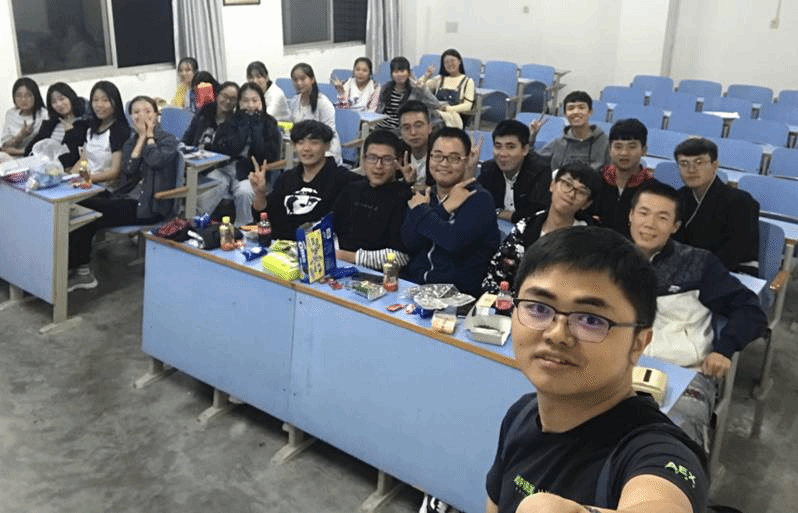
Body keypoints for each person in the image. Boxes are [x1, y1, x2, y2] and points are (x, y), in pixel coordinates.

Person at [482, 226, 708, 513]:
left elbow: (662, 502)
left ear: (639, 343)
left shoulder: (653, 450)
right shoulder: (521, 414)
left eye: (591, 320)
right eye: (538, 308)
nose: (557, 334)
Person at [628, 181, 767, 450]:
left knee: (672, 448)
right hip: (619, 365)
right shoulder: (611, 260)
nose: (649, 224)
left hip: (682, 372)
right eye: (643, 213)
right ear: (630, 215)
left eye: (662, 217)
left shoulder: (699, 263)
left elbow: (750, 310)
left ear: (675, 226)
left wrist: (724, 350)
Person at [67, 96, 179, 291]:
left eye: (147, 111)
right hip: (127, 198)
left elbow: (155, 160)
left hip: (149, 205)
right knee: (78, 206)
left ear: (156, 115)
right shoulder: (131, 141)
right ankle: (77, 268)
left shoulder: (168, 140)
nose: (142, 116)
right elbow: (128, 169)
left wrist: (149, 137)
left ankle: (80, 270)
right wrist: (141, 139)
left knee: (86, 212)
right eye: (136, 112)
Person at [400, 127, 499, 297]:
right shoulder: (425, 196)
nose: (444, 164)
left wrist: (423, 212)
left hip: (459, 296)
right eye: (437, 156)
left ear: (467, 161)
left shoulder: (479, 199)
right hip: (415, 286)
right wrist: (443, 209)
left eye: (454, 158)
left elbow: (452, 242)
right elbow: (409, 243)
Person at [482, 162, 599, 294]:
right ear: (552, 185)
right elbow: (495, 277)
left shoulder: (590, 242)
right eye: (567, 184)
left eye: (581, 192)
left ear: (587, 203)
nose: (571, 194)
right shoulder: (525, 227)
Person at [249, 120, 360, 240]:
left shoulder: (344, 180)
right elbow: (264, 219)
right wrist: (259, 193)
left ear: (327, 145)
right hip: (280, 245)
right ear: (293, 146)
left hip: (317, 247)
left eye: (314, 143)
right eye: (300, 142)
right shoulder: (287, 179)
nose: (306, 148)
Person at [673, 137, 760, 275]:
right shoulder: (678, 197)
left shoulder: (741, 201)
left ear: (715, 165)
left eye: (699, 162)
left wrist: (693, 269)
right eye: (684, 164)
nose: (691, 169)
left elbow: (735, 251)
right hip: (686, 269)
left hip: (731, 272)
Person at [202, 82, 281, 224]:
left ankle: (244, 229)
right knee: (209, 183)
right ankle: (200, 224)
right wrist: (243, 127)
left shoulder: (269, 123)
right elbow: (223, 149)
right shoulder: (231, 121)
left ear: (261, 102)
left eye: (255, 100)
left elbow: (270, 155)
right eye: (245, 100)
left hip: (252, 171)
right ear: (239, 102)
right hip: (226, 168)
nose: (250, 105)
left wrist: (256, 128)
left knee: (244, 192)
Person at [333, 130, 411, 270]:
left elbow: (401, 256)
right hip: (340, 266)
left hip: (381, 274)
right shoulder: (351, 189)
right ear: (363, 160)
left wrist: (350, 257)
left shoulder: (405, 197)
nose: (378, 166)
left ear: (398, 162)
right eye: (372, 158)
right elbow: (332, 229)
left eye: (387, 159)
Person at [477, 119, 551, 222]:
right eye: (498, 146)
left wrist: (499, 213)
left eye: (510, 147)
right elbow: (478, 202)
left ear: (525, 150)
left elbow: (537, 213)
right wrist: (470, 169)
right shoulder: (488, 169)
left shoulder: (540, 171)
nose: (503, 154)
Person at [594, 118, 654, 237]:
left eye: (632, 147)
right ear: (609, 150)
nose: (624, 153)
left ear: (644, 150)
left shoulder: (652, 189)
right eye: (618, 146)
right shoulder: (596, 180)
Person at [71, 80, 130, 190]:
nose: (99, 105)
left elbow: (115, 172)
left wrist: (87, 179)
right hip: (88, 183)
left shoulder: (119, 131)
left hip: (106, 188)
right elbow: (83, 160)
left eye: (105, 100)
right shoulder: (91, 129)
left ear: (115, 103)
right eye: (95, 100)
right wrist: (70, 176)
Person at [533, 90, 609, 172]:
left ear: (590, 112)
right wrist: (531, 137)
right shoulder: (558, 143)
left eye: (581, 108)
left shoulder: (605, 142)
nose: (576, 112)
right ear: (565, 114)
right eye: (571, 108)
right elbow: (534, 162)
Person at [288, 63, 342, 165]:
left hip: (325, 151)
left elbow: (328, 133)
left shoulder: (323, 103)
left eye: (303, 79)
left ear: (312, 79)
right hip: (305, 149)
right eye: (295, 80)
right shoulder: (294, 101)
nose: (299, 83)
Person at [24, 82, 87, 168]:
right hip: (42, 167)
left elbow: (70, 158)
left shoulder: (83, 124)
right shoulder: (50, 124)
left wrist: (69, 133)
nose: (59, 104)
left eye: (62, 99)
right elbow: (29, 150)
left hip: (64, 170)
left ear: (70, 98)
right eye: (54, 102)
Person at [376, 57, 440, 130]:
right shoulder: (386, 88)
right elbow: (380, 110)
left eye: (402, 71)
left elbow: (435, 104)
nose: (399, 74)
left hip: (401, 129)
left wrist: (423, 89)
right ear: (391, 74)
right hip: (381, 127)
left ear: (409, 73)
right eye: (396, 72)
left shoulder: (416, 90)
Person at [418, 48, 475, 128]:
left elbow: (468, 106)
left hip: (454, 118)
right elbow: (419, 87)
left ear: (459, 61)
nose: (450, 64)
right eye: (446, 62)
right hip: (436, 115)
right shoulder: (439, 79)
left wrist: (447, 109)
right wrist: (426, 76)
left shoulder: (467, 81)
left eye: (452, 60)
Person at [2, 77, 48, 156]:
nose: (23, 99)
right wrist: (20, 136)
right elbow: (5, 146)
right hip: (13, 157)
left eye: (28, 95)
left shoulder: (44, 115)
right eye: (19, 96)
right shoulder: (11, 114)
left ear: (35, 96)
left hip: (36, 157)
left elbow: (46, 146)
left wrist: (17, 151)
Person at [396, 100, 433, 190]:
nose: (413, 133)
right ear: (400, 132)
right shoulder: (398, 154)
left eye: (418, 126)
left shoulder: (440, 152)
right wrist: (407, 183)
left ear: (430, 128)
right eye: (406, 127)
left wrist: (429, 189)